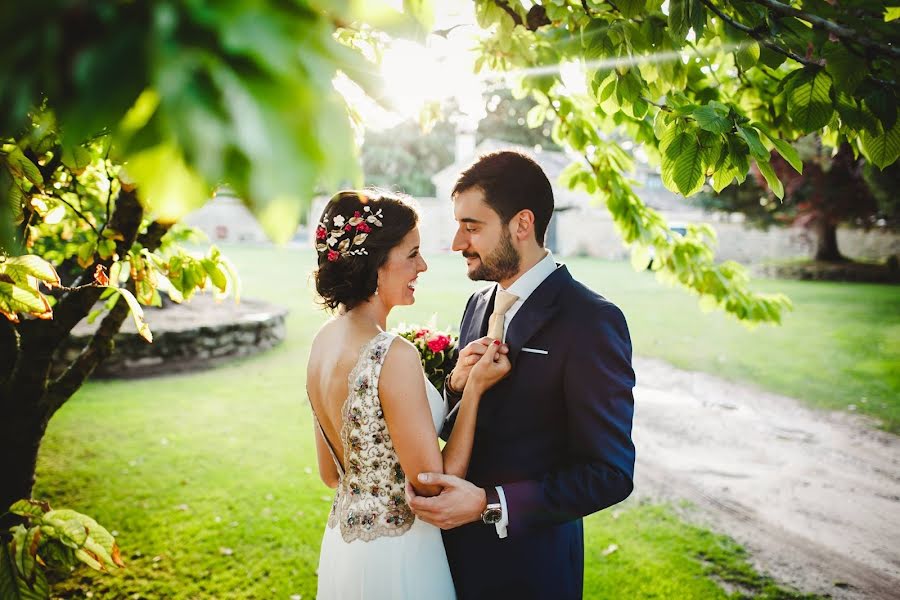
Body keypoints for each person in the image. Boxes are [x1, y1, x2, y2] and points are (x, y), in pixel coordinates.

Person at [406, 151, 636, 599]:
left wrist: (490, 504)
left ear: (522, 224)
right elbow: (469, 424)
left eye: (472, 227)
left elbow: (610, 473)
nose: (457, 243)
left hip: (531, 570)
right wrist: (457, 385)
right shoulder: (477, 304)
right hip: (449, 561)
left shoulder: (590, 320)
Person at [306, 189, 511, 599]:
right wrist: (473, 392)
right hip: (400, 556)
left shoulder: (322, 343)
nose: (423, 265)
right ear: (376, 265)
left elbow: (332, 475)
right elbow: (434, 485)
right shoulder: (391, 354)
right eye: (412, 254)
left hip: (344, 551)